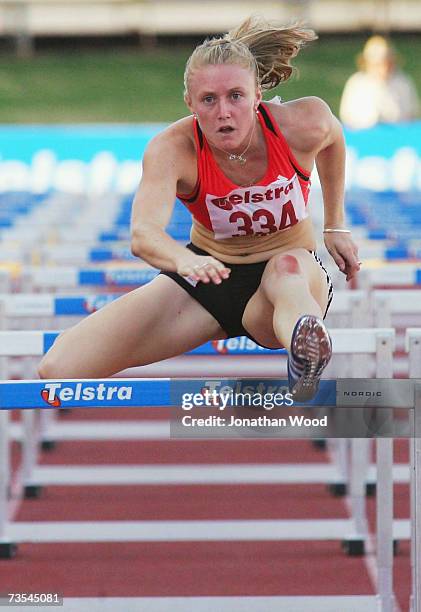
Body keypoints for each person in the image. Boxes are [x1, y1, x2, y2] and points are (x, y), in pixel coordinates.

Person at [38, 15, 360, 402]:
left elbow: (335, 138)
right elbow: (143, 234)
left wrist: (335, 225)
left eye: (235, 96)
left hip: (289, 277)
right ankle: (294, 337)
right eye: (209, 100)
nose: (224, 112)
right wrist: (181, 261)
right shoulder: (172, 149)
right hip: (208, 277)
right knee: (58, 368)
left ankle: (304, 354)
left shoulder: (301, 124)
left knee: (285, 271)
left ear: (257, 95)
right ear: (190, 103)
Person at [340, 35, 419, 130]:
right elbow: (347, 116)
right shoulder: (357, 83)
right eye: (378, 64)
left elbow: (412, 114)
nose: (383, 68)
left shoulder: (402, 82)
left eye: (386, 63)